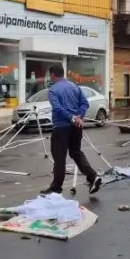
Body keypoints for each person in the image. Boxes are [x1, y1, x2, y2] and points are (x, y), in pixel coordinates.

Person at [42, 64, 102, 195]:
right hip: (76, 127)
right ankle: (93, 177)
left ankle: (56, 188)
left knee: (59, 157)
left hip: (61, 127)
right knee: (76, 152)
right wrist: (78, 117)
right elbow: (85, 103)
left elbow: (57, 109)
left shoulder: (53, 90)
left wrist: (71, 118)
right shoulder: (75, 87)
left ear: (53, 75)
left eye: (49, 75)